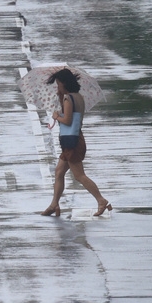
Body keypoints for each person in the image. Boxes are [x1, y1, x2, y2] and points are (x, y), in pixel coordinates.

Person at [41, 68, 112, 217]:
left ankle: (101, 200)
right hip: (75, 138)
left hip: (72, 142)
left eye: (59, 84)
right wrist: (61, 108)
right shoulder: (77, 96)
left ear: (64, 83)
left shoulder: (68, 98)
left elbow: (67, 120)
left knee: (79, 176)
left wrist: (56, 117)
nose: (57, 87)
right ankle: (54, 204)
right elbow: (72, 116)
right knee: (59, 172)